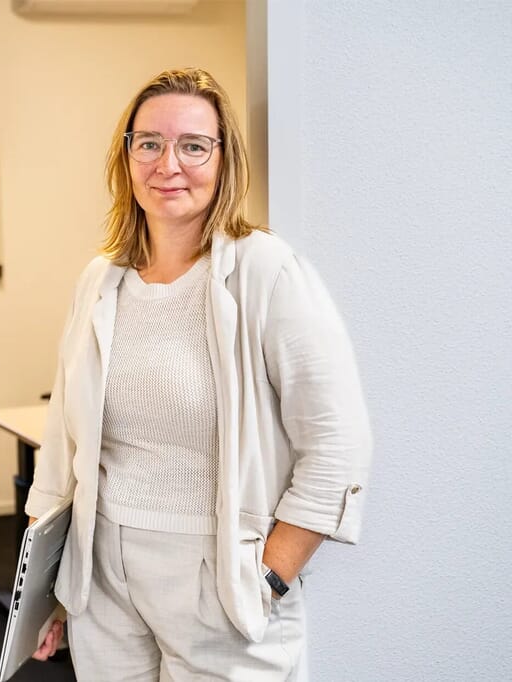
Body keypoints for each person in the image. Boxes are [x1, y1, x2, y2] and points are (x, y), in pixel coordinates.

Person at [25, 67, 372, 681]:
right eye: (149, 143)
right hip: (101, 575)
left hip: (219, 579)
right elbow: (63, 441)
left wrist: (269, 577)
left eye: (193, 146)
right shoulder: (101, 279)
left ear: (223, 159)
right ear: (126, 155)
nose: (168, 164)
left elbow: (337, 445)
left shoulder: (267, 272)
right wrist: (45, 591)